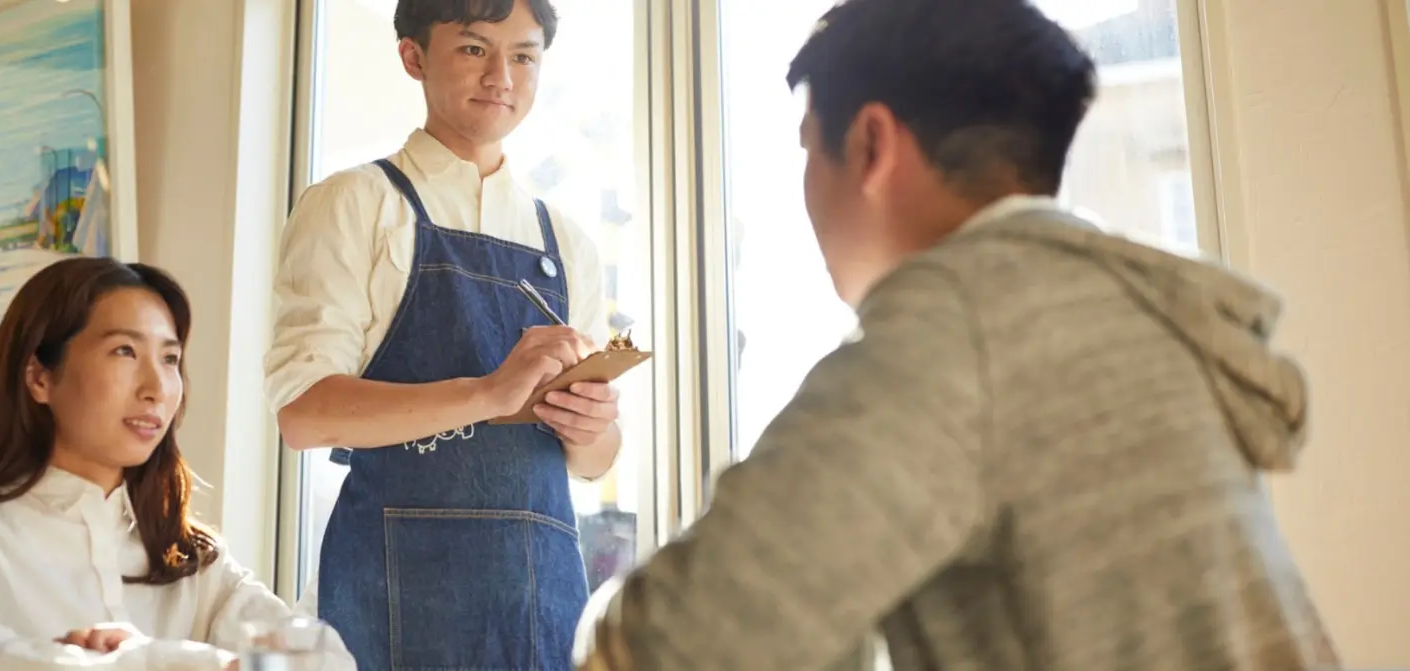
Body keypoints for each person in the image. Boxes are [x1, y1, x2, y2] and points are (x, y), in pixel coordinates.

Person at [573, 0, 1340, 669]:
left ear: (871, 145)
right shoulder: (1138, 304)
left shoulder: (958, 326)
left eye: (808, 148)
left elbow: (671, 644)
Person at [265, 0, 621, 667]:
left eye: (522, 56)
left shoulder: (568, 242)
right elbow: (305, 414)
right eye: (472, 49)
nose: (501, 77)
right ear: (413, 56)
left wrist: (591, 422)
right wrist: (489, 392)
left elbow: (594, 461)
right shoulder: (356, 204)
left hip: (539, 600)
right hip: (392, 589)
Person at [0, 257, 355, 671]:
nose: (156, 387)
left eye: (170, 358)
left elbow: (322, 659)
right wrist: (174, 661)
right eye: (124, 351)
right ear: (40, 376)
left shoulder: (190, 557)